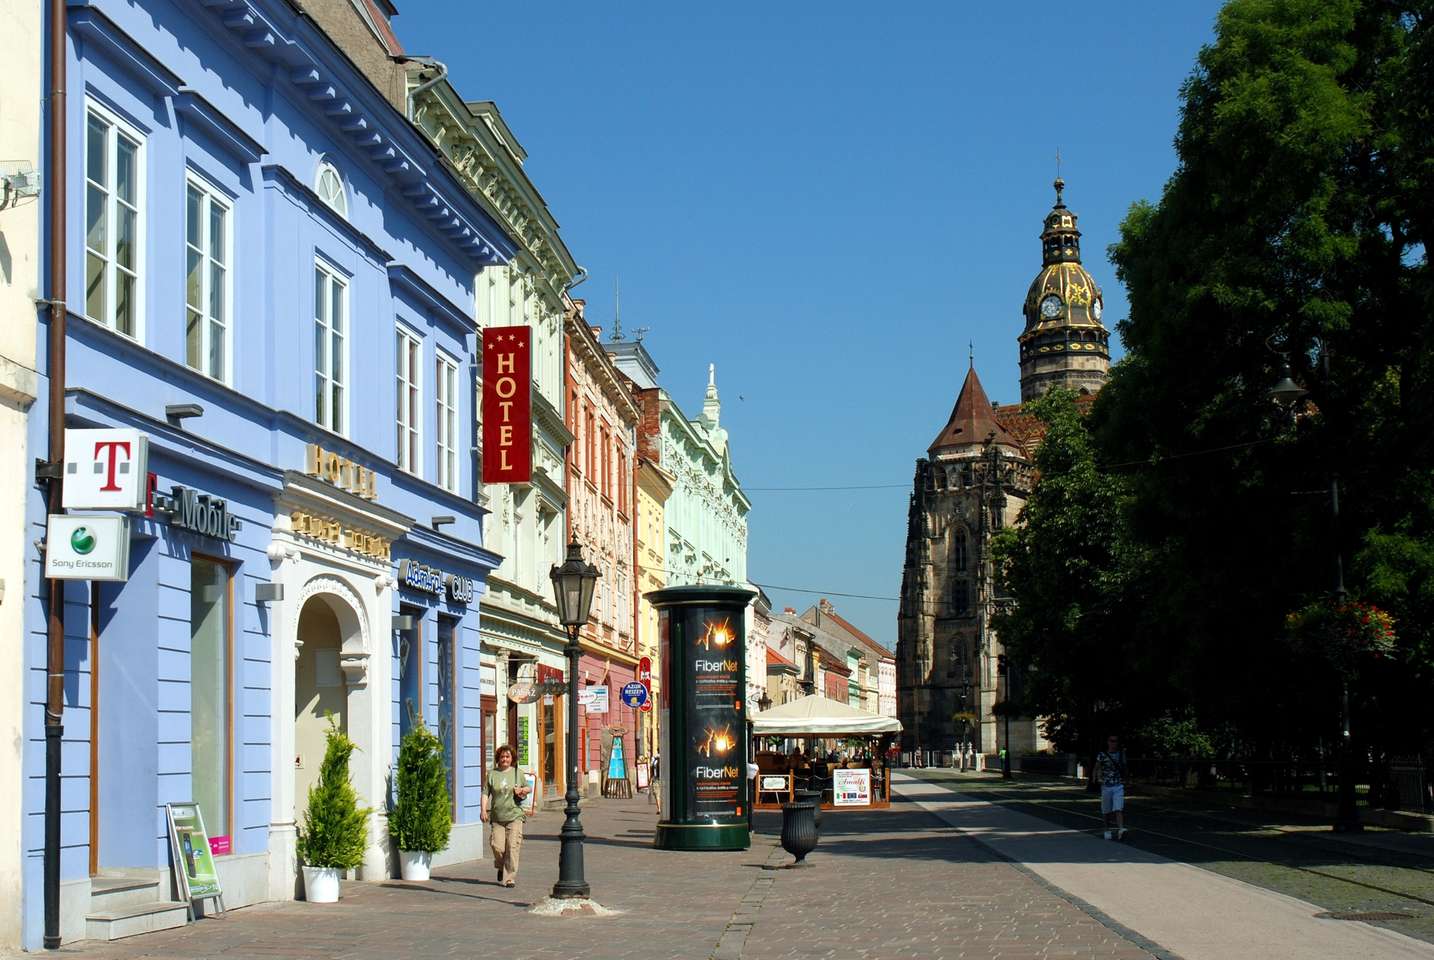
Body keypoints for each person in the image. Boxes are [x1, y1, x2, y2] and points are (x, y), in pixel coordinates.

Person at [482, 744, 530, 886]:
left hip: (515, 815)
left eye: (507, 756)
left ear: (512, 758)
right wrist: (483, 810)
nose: (504, 759)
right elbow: (485, 793)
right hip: (497, 817)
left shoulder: (517, 773)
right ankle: (501, 866)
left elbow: (528, 788)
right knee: (497, 846)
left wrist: (521, 790)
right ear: (498, 758)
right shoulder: (492, 774)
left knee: (512, 846)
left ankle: (509, 878)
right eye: (502, 756)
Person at [1096, 735, 1128, 841]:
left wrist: (1126, 779)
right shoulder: (1102, 755)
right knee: (1107, 810)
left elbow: (1124, 768)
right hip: (1106, 786)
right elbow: (1098, 768)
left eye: (1116, 741)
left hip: (1118, 785)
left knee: (1118, 808)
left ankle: (1121, 829)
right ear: (1108, 742)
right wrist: (1098, 778)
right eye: (1112, 741)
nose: (1114, 743)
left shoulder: (1121, 755)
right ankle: (1107, 829)